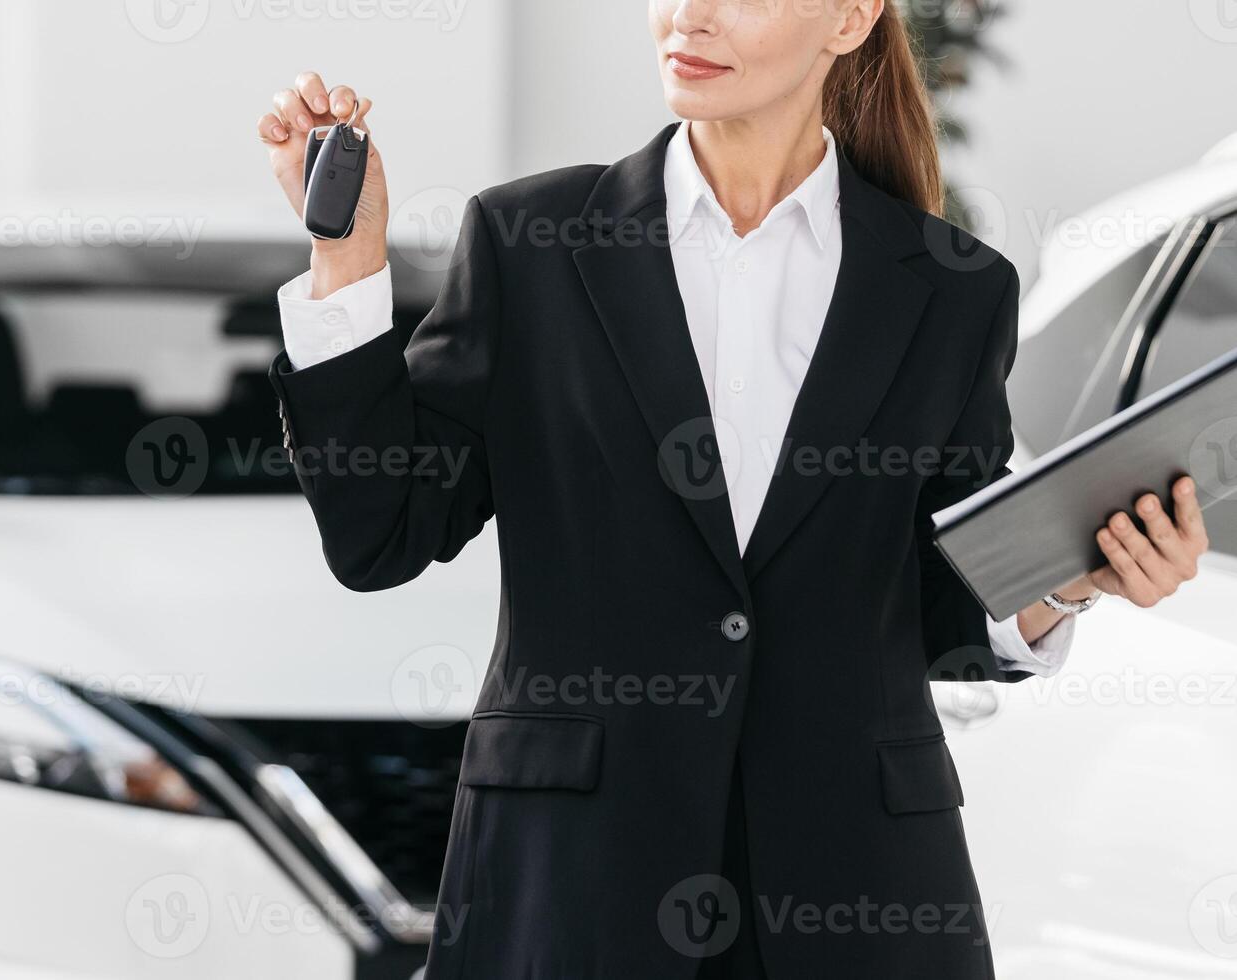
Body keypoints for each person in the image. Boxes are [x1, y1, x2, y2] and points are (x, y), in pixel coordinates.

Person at [258, 1, 1210, 976]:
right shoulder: (530, 240)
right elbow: (381, 535)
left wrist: (1073, 575)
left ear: (849, 18)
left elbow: (929, 605)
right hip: (577, 884)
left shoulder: (952, 287)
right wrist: (347, 256)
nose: (688, 18)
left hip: (857, 890)